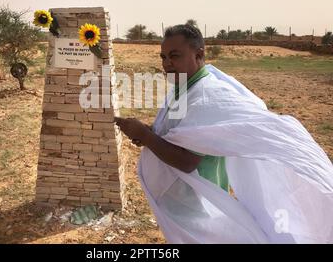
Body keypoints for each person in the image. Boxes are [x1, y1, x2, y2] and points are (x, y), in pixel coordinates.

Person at [115, 24, 333, 244]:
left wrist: (145, 135)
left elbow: (188, 161)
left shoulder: (206, 96)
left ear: (199, 55)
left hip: (199, 207)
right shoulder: (183, 88)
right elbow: (180, 133)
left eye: (174, 56)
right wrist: (150, 133)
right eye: (163, 57)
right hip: (182, 205)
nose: (166, 63)